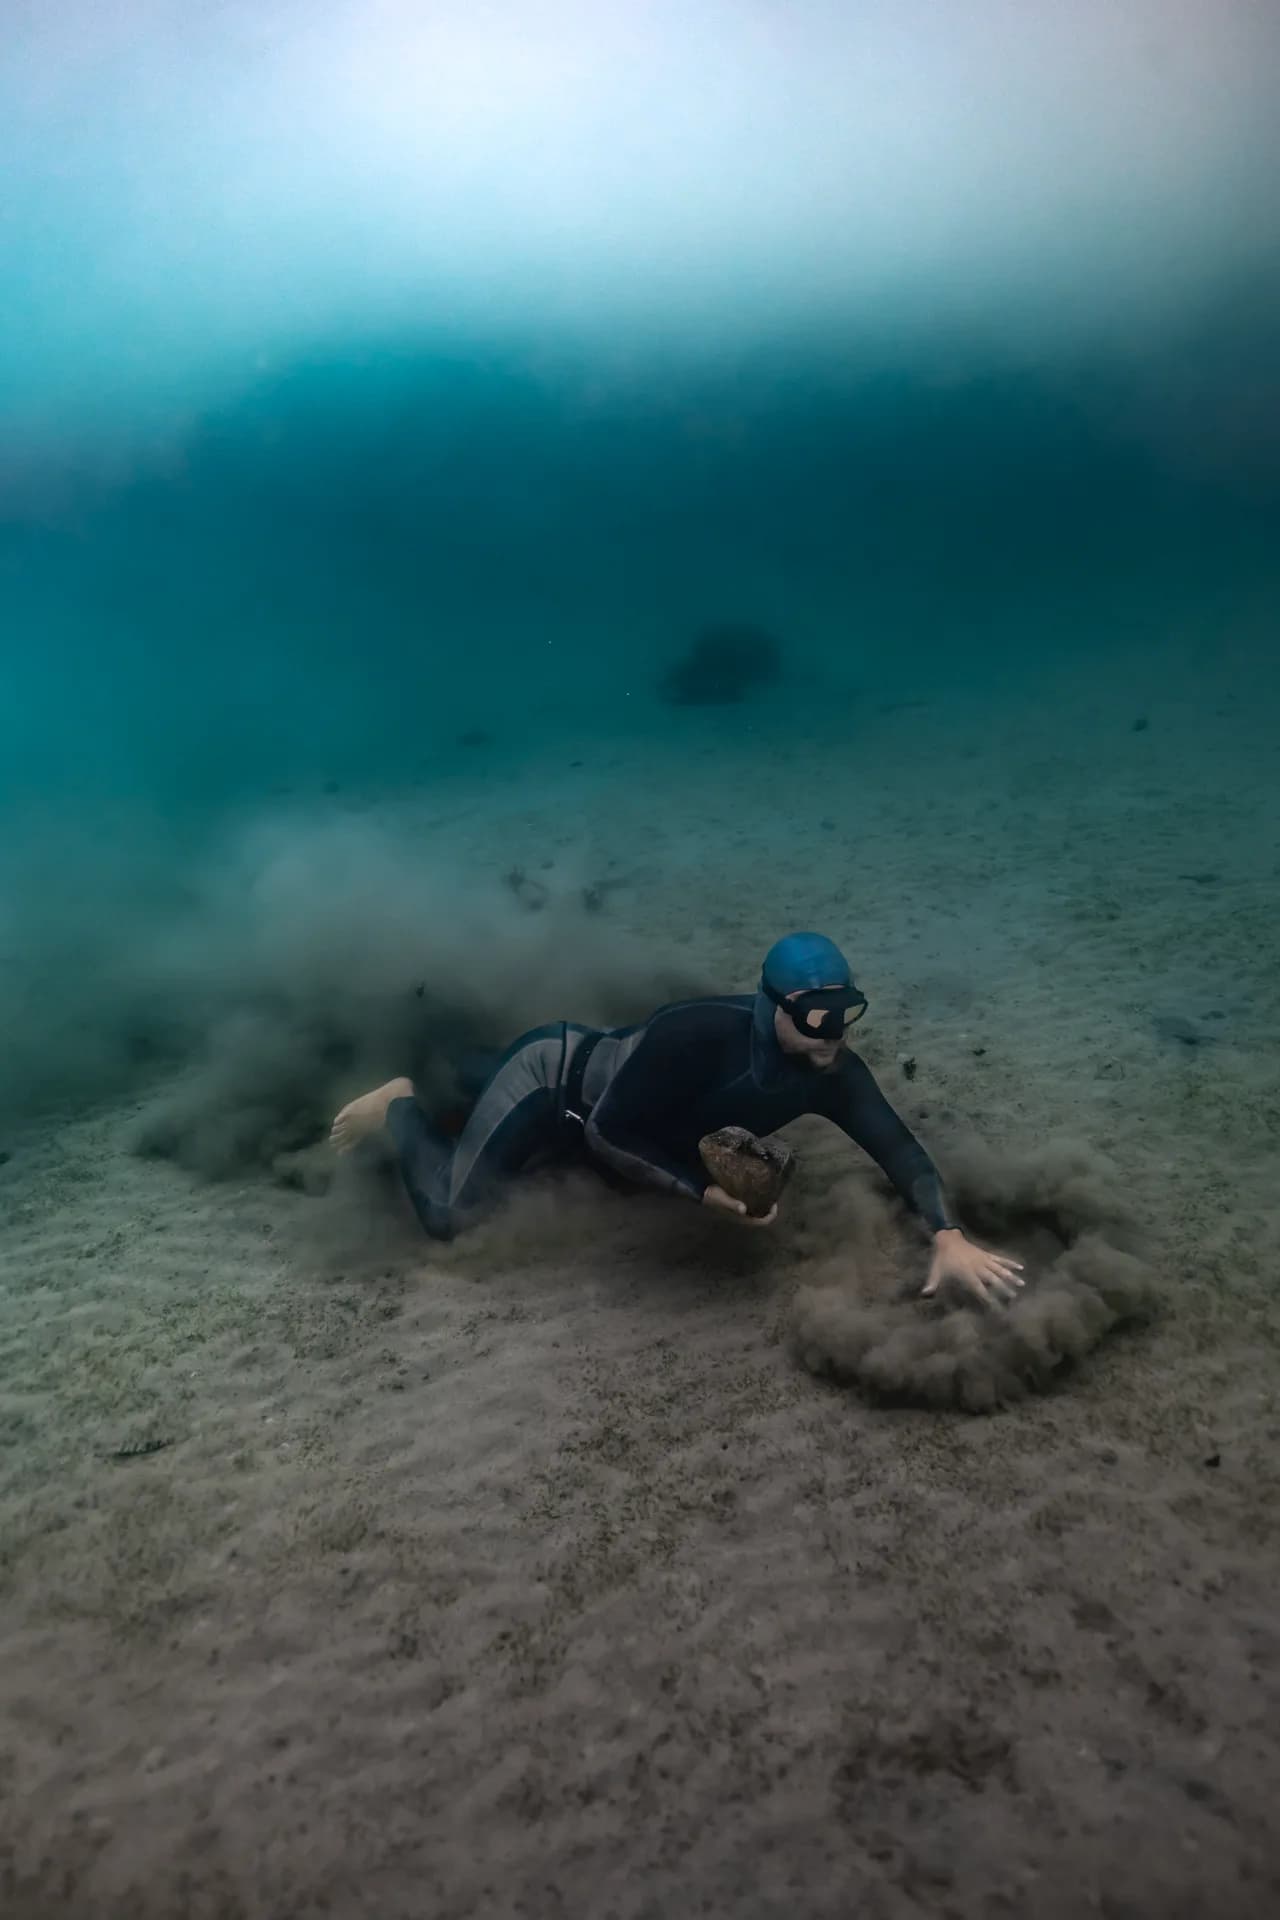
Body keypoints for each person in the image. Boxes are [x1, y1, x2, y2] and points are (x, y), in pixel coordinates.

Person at [329, 931, 1024, 1307]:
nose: (835, 1031)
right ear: (775, 1006)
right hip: (556, 1084)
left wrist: (948, 1233)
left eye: (848, 1010)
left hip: (611, 1092)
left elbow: (897, 1149)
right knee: (452, 1215)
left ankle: (437, 1054)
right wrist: (701, 1192)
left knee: (470, 1080)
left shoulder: (831, 1073)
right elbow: (607, 1131)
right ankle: (397, 1105)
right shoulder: (694, 1031)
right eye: (818, 1014)